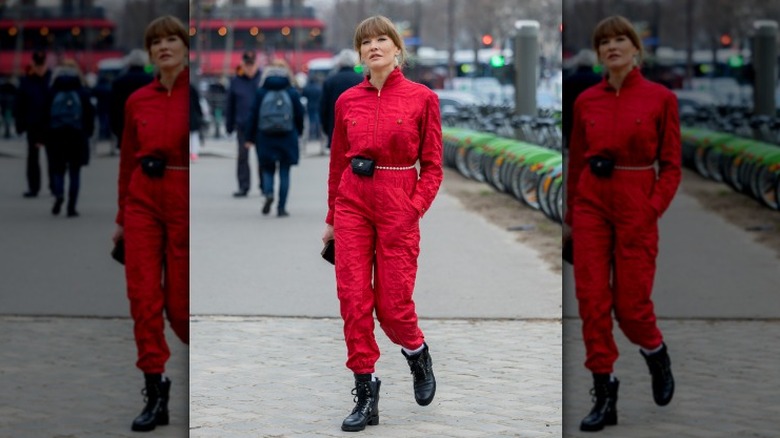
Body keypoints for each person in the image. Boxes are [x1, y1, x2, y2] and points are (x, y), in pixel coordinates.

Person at [321, 15, 443, 432]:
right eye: (365, 42)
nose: (373, 47)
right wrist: (332, 219)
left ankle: (417, 353)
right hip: (353, 200)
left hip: (398, 203)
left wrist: (413, 208)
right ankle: (365, 392)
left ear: (396, 48)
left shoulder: (422, 98)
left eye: (381, 40)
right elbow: (337, 162)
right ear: (359, 54)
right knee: (354, 301)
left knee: (392, 308)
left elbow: (433, 167)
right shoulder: (346, 101)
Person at [563, 15, 681, 432]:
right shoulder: (585, 101)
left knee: (631, 307)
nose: (612, 47)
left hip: (636, 204)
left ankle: (655, 352)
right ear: (597, 54)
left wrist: (651, 210)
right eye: (604, 42)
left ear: (635, 48)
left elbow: (671, 167)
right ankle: (605, 392)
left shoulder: (660, 98)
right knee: (592, 304)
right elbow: (576, 159)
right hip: (591, 204)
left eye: (620, 40)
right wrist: (571, 222)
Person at [111, 15, 189, 432]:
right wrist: (122, 218)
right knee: (143, 300)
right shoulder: (137, 99)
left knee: (180, 307)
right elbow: (126, 163)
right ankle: (155, 392)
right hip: (143, 199)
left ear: (184, 45)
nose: (163, 46)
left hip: (183, 200)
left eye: (171, 38)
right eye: (156, 41)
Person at [245, 59, 304, 217]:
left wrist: (249, 137)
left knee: (268, 169)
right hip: (287, 135)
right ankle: (281, 207)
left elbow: (252, 115)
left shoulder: (261, 92)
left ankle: (269, 192)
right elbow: (300, 114)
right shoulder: (291, 92)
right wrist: (298, 131)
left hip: (265, 136)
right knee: (285, 172)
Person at [45, 59, 95, 217]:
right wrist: (87, 133)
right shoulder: (82, 92)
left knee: (58, 170)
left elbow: (44, 116)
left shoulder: (52, 92)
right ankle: (71, 207)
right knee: (75, 172)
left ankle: (59, 194)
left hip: (56, 136)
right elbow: (90, 115)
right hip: (77, 136)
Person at [14, 50, 51, 198]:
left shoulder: (51, 79)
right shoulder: (26, 81)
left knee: (52, 158)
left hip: (49, 124)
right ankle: (33, 187)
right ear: (33, 65)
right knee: (32, 158)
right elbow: (19, 105)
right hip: (33, 125)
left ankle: (54, 185)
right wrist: (20, 125)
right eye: (38, 65)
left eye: (42, 65)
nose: (40, 68)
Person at [225, 50, 262, 197]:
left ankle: (264, 185)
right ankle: (243, 186)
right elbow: (230, 105)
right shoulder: (236, 81)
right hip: (242, 125)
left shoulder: (262, 79)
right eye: (247, 65)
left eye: (251, 65)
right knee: (242, 157)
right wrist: (229, 125)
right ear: (243, 65)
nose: (249, 68)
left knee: (262, 157)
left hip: (260, 125)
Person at [109, 49, 154, 150]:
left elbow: (114, 107)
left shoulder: (119, 82)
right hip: (147, 126)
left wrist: (115, 129)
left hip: (124, 125)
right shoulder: (150, 81)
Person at [319, 49, 363, 150]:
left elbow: (323, 107)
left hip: (335, 126)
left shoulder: (330, 81)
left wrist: (326, 128)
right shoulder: (361, 80)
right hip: (358, 128)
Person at [301, 74, 323, 141]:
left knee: (311, 120)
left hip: (310, 106)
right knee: (318, 120)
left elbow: (303, 95)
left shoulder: (307, 88)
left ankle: (312, 134)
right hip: (318, 106)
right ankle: (318, 134)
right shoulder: (319, 87)